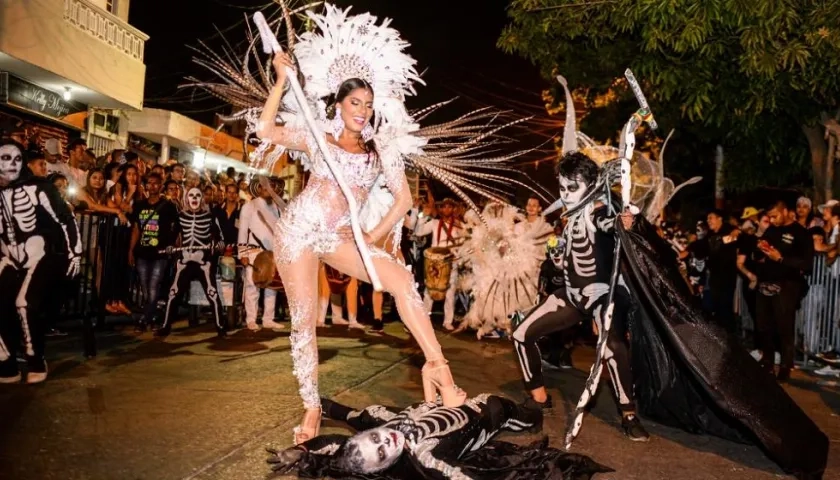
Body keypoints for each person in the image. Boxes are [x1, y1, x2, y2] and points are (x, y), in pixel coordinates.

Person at [255, 9, 465, 444]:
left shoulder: (378, 146)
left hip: (338, 237)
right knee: (304, 321)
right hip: (297, 232)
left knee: (401, 278)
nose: (363, 111)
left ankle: (438, 366)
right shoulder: (318, 135)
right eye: (355, 103)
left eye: (368, 105)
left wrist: (370, 236)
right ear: (338, 103)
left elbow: (404, 199)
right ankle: (312, 408)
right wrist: (279, 81)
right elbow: (264, 129)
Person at [510, 152, 646, 442]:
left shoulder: (597, 210)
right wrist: (559, 260)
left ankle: (629, 413)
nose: (566, 194)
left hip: (600, 294)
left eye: (573, 188)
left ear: (592, 184)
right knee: (521, 334)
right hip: (572, 294)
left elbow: (611, 225)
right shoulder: (569, 218)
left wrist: (625, 221)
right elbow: (568, 262)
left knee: (612, 346)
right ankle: (539, 398)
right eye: (562, 188)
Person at [267, 395, 611, 480]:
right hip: (485, 411)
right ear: (390, 462)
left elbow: (341, 425)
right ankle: (533, 407)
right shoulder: (425, 454)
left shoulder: (378, 420)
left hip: (448, 396)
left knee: (365, 416)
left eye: (377, 439)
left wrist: (300, 449)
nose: (387, 441)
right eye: (384, 451)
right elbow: (457, 476)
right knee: (525, 416)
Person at [0, 139, 81, 383]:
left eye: (16, 159)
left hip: (39, 253)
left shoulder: (40, 188)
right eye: (5, 158)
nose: (11, 165)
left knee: (25, 303)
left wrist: (74, 253)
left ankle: (35, 358)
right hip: (8, 256)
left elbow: (65, 220)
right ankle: (5, 360)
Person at [754, 200, 814, 382]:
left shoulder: (801, 234)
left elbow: (807, 264)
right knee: (763, 324)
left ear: (786, 211)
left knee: (784, 326)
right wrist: (760, 249)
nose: (772, 220)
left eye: (775, 216)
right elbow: (758, 256)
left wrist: (781, 259)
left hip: (788, 284)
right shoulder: (771, 230)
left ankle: (786, 365)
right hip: (766, 282)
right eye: (769, 217)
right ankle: (768, 360)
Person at [157, 187, 226, 337]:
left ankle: (221, 326)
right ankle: (165, 326)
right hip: (185, 260)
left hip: (203, 261)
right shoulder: (180, 216)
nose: (194, 198)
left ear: (201, 199)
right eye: (191, 196)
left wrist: (220, 244)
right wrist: (169, 246)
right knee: (173, 293)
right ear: (187, 198)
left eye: (197, 196)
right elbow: (172, 234)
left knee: (212, 293)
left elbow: (219, 236)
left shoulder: (209, 217)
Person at [129, 173, 179, 331]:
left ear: (160, 186)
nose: (152, 186)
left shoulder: (168, 206)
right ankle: (153, 314)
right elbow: (136, 229)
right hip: (142, 251)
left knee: (153, 285)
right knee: (144, 286)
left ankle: (145, 318)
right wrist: (130, 250)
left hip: (160, 252)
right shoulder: (139, 205)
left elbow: (176, 228)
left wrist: (171, 245)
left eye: (155, 183)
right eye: (149, 183)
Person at [238, 178, 284, 331]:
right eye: (264, 186)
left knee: (272, 285)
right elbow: (243, 231)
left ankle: (268, 319)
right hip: (253, 251)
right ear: (257, 188)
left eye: (271, 186)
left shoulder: (276, 207)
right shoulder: (248, 206)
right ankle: (251, 319)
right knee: (252, 285)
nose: (267, 188)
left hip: (272, 252)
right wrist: (242, 253)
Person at [411, 198, 464, 330]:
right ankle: (424, 318)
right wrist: (423, 216)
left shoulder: (459, 225)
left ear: (453, 209)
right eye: (443, 207)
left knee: (450, 294)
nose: (446, 209)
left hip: (451, 261)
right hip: (434, 262)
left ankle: (447, 321)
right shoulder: (434, 223)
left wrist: (458, 256)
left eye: (449, 207)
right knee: (429, 292)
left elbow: (463, 243)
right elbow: (418, 232)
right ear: (440, 209)